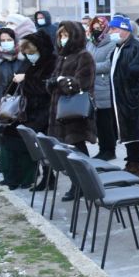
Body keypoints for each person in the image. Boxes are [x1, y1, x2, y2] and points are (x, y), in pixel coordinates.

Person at [47, 21, 97, 198]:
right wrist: (55, 81)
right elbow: (52, 81)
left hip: (74, 112)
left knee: (77, 148)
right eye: (60, 36)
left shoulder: (84, 56)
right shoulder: (61, 56)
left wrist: (60, 81)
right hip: (59, 111)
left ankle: (85, 184)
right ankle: (77, 184)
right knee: (66, 151)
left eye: (66, 35)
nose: (62, 39)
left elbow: (80, 84)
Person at [5, 32, 55, 188]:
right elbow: (17, 82)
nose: (29, 56)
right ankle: (43, 176)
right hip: (29, 110)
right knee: (36, 145)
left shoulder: (51, 62)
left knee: (44, 145)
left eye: (31, 53)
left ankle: (48, 177)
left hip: (45, 110)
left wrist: (26, 79)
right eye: (26, 54)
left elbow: (45, 86)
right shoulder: (29, 62)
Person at [107, 15, 139, 177]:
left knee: (137, 133)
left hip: (133, 99)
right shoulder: (118, 47)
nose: (111, 32)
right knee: (127, 132)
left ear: (125, 30)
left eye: (114, 29)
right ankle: (132, 161)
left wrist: (135, 96)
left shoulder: (135, 47)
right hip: (121, 99)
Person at [0, 28, 24, 183]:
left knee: (21, 141)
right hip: (2, 107)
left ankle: (24, 176)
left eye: (9, 39)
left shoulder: (22, 58)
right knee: (5, 142)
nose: (7, 43)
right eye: (3, 40)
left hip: (21, 105)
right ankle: (9, 176)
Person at [87, 16, 117, 160]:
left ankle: (110, 150)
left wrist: (90, 67)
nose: (96, 30)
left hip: (104, 87)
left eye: (99, 27)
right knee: (98, 122)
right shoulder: (90, 43)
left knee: (106, 122)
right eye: (94, 27)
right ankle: (102, 149)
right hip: (91, 87)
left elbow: (108, 65)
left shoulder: (111, 43)